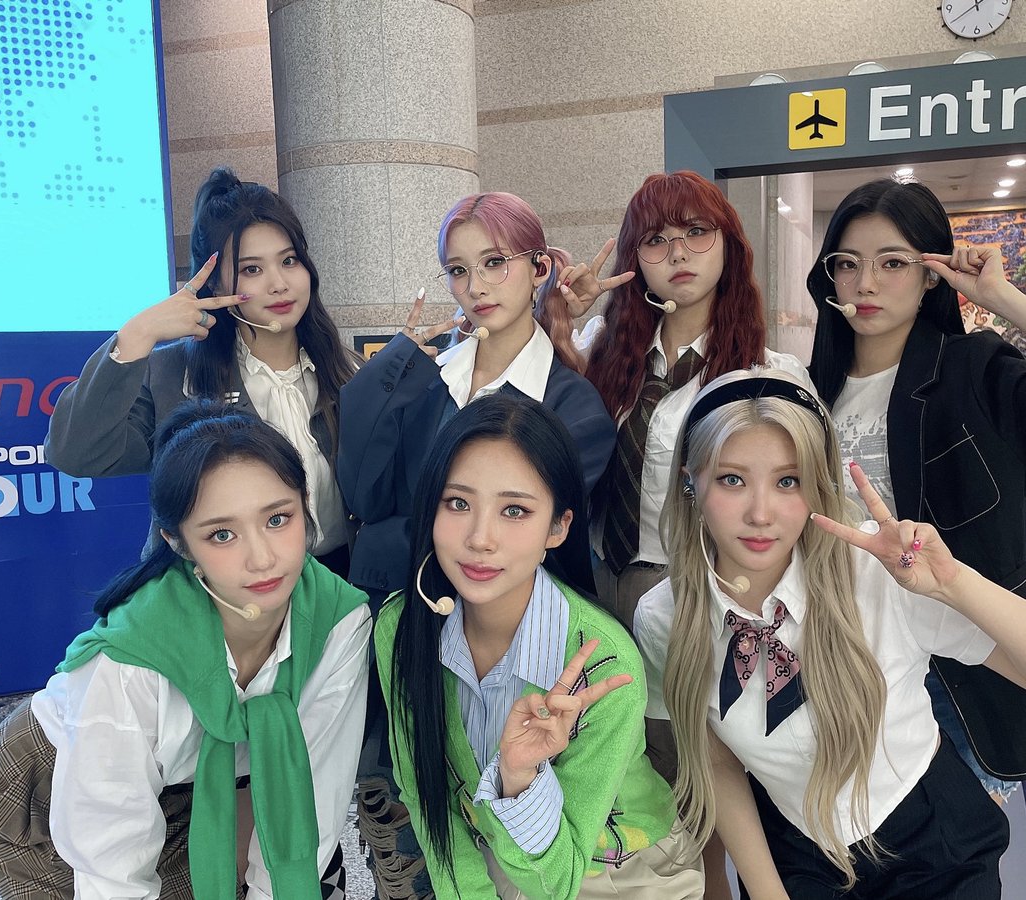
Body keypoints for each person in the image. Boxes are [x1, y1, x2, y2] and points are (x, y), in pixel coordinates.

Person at [635, 370, 1026, 899]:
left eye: (788, 481)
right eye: (731, 480)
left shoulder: (877, 569)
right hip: (794, 848)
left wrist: (953, 584)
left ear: (818, 485)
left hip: (932, 838)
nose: (761, 514)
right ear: (690, 482)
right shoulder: (664, 617)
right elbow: (716, 760)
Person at [805, 178, 1026, 796]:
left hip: (963, 671)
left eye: (892, 263)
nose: (866, 284)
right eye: (847, 264)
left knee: (961, 844)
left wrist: (999, 296)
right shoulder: (809, 389)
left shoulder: (973, 370)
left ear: (931, 276)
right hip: (846, 658)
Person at [0, 402, 372, 900]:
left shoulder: (339, 618)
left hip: (205, 781)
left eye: (277, 518)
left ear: (305, 506)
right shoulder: (133, 658)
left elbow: (316, 788)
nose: (263, 558)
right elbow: (109, 855)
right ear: (178, 542)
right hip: (47, 793)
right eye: (222, 534)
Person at [336, 191, 617, 898]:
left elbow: (522, 542)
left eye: (495, 262)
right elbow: (363, 492)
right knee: (400, 797)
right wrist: (398, 359)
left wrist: (402, 533)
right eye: (458, 270)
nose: (476, 285)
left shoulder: (570, 404)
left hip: (506, 640)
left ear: (540, 268)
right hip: (407, 624)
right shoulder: (428, 377)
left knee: (496, 803)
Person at [375, 393, 704, 899]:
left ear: (558, 527)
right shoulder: (403, 626)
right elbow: (425, 794)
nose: (480, 538)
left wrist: (519, 780)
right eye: (458, 503)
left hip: (621, 871)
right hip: (498, 853)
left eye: (515, 510)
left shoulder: (603, 664)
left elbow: (557, 882)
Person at [45, 167, 362, 574]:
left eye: (289, 260)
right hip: (220, 589)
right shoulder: (171, 375)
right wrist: (137, 334)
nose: (279, 284)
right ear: (214, 283)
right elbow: (76, 453)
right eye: (252, 269)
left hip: (339, 585)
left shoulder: (349, 370)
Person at [574, 170, 813, 627]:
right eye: (655, 239)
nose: (678, 253)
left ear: (728, 244)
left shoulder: (766, 375)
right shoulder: (599, 352)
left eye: (697, 231)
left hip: (697, 584)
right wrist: (556, 318)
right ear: (635, 258)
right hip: (596, 577)